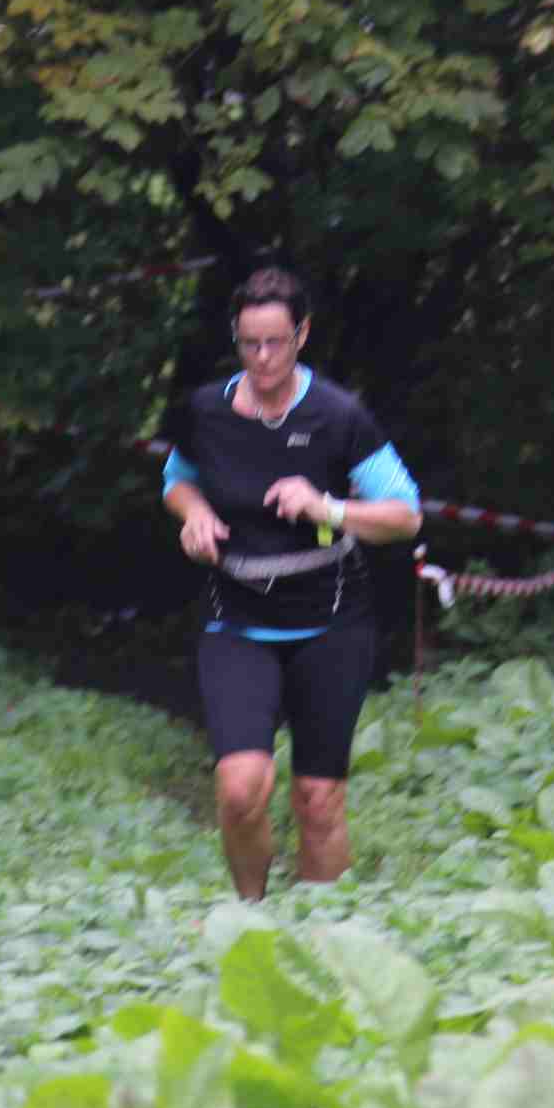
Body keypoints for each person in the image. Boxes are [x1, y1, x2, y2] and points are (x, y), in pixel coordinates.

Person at [160, 267, 422, 899]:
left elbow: (405, 516)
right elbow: (177, 480)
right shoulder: (206, 410)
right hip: (237, 620)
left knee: (318, 799)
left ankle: (323, 932)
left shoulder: (338, 415)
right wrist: (194, 515)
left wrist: (325, 506)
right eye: (249, 343)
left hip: (331, 622)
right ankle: (251, 917)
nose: (262, 358)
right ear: (235, 338)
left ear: (302, 335)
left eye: (275, 342)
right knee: (240, 790)